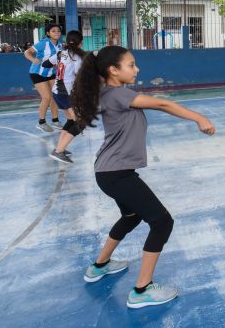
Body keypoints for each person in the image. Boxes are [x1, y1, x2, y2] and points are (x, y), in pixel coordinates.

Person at [73, 45, 215, 309]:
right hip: (115, 174)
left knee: (131, 215)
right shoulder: (117, 94)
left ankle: (99, 266)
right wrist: (198, 117)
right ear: (113, 71)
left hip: (109, 172)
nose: (136, 69)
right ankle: (142, 290)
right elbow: (161, 103)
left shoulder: (109, 92)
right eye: (131, 64)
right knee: (161, 222)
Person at [48, 30, 87, 164]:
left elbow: (45, 63)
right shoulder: (76, 56)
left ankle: (60, 149)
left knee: (71, 120)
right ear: (81, 43)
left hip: (57, 92)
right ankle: (58, 151)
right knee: (80, 122)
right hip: (66, 93)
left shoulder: (60, 53)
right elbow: (79, 75)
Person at [24, 23, 63, 133]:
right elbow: (27, 52)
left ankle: (55, 121)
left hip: (52, 73)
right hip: (37, 73)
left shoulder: (60, 44)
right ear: (48, 33)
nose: (57, 33)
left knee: (55, 96)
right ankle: (41, 122)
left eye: (58, 31)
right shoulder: (43, 43)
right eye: (53, 31)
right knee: (46, 97)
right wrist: (33, 60)